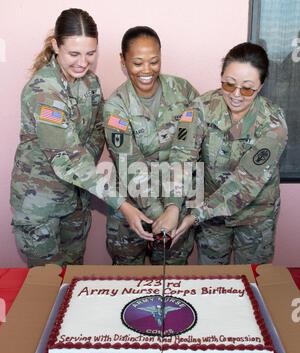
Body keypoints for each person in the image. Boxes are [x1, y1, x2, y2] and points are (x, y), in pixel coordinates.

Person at [10, 9, 152, 268]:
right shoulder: (44, 91)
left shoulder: (90, 83)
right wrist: (123, 205)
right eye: (74, 54)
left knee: (72, 279)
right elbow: (70, 161)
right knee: (46, 285)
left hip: (76, 200)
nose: (83, 62)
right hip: (41, 206)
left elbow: (99, 127)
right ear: (56, 46)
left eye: (90, 53)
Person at [168, 42, 288, 264]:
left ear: (261, 86)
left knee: (254, 281)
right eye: (229, 84)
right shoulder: (201, 107)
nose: (236, 95)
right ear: (221, 77)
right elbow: (181, 158)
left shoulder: (273, 124)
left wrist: (195, 215)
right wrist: (173, 206)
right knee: (212, 282)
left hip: (255, 218)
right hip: (213, 219)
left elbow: (245, 184)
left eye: (247, 88)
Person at [104, 26, 200, 265]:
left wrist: (174, 207)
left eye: (154, 61)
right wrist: (161, 215)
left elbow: (188, 151)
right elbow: (130, 164)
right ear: (123, 61)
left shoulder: (184, 92)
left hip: (177, 202)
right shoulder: (116, 107)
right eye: (137, 63)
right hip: (131, 209)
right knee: (126, 284)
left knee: (173, 283)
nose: (147, 70)